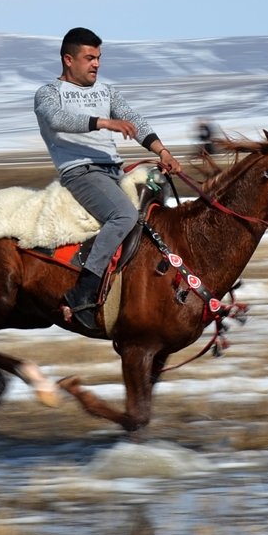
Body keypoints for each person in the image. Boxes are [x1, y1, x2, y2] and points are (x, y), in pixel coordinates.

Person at [33, 27, 182, 330]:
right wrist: (104, 122)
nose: (96, 64)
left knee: (160, 204)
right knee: (123, 215)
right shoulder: (48, 93)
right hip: (81, 171)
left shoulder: (107, 91)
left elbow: (134, 120)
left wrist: (161, 150)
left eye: (99, 58)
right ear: (68, 60)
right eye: (89, 58)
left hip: (115, 169)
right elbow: (57, 120)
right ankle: (82, 293)